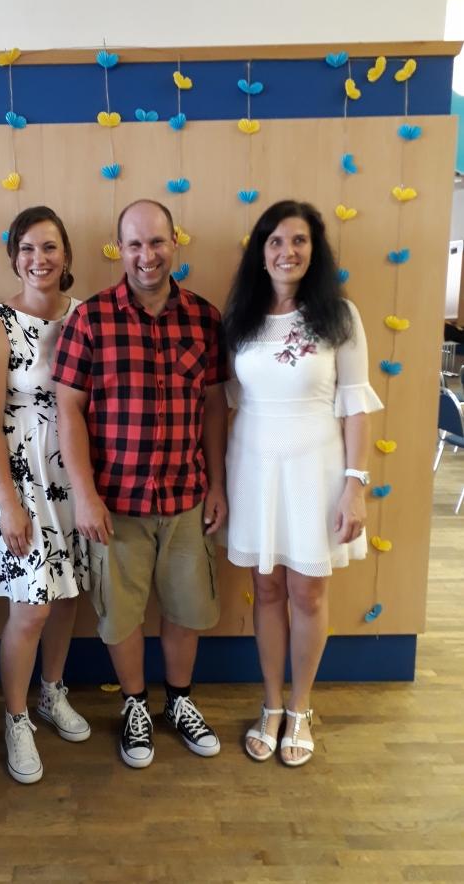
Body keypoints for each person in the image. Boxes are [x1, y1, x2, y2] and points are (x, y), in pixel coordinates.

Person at [53, 199, 228, 769]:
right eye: (134, 244)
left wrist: (218, 486)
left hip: (186, 497)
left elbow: (213, 408)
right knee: (120, 616)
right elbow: (68, 410)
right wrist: (85, 495)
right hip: (115, 503)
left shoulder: (205, 319)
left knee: (186, 608)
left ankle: (179, 701)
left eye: (156, 242)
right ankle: (134, 705)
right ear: (119, 249)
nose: (146, 255)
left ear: (174, 242)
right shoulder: (90, 319)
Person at [223, 199, 383, 767]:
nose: (286, 252)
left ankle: (300, 707)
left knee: (307, 593)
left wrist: (355, 486)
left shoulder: (340, 316)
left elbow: (356, 407)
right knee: (266, 589)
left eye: (298, 241)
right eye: (275, 241)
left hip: (317, 468)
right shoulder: (240, 315)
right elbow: (230, 400)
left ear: (314, 251)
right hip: (253, 466)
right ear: (261, 252)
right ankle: (271, 704)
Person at [0, 206, 90, 785]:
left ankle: (52, 691)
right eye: (26, 248)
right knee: (32, 607)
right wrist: (9, 504)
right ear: (14, 257)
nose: (38, 259)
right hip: (20, 477)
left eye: (48, 247)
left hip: (74, 473)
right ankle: (16, 717)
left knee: (66, 597)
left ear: (66, 255)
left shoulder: (85, 316)